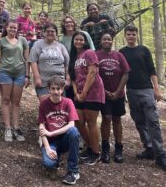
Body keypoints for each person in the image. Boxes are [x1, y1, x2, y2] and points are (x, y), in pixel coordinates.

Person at [119, 25, 166, 171]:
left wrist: (156, 89)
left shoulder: (144, 50)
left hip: (146, 89)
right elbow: (121, 74)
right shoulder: (122, 52)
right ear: (125, 36)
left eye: (133, 34)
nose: (131, 36)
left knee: (153, 121)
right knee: (139, 121)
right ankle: (149, 148)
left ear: (136, 35)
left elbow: (152, 70)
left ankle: (160, 154)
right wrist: (122, 91)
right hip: (131, 91)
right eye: (129, 34)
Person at [68, 31, 105, 165]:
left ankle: (95, 153)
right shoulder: (74, 57)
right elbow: (73, 78)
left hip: (93, 91)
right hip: (79, 92)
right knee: (78, 121)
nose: (78, 41)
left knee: (91, 121)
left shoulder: (89, 52)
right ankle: (91, 147)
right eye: (76, 39)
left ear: (85, 41)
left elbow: (93, 72)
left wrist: (84, 92)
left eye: (81, 39)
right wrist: (76, 93)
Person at [39, 76, 80, 185]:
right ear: (48, 89)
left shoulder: (68, 102)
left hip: (64, 139)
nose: (56, 92)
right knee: (49, 164)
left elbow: (72, 124)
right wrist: (47, 148)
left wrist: (51, 133)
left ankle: (73, 171)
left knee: (74, 132)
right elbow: (41, 128)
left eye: (58, 89)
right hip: (51, 142)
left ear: (62, 90)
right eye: (53, 88)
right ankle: (54, 158)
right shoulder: (44, 104)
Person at [0, 19, 30, 142]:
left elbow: (27, 59)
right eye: (11, 27)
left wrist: (27, 75)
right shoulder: (1, 41)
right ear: (6, 28)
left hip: (19, 73)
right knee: (5, 99)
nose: (13, 30)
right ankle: (7, 128)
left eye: (15, 28)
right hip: (5, 73)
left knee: (16, 101)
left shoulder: (23, 41)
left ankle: (16, 127)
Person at [96, 32, 130, 163]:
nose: (107, 41)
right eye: (105, 39)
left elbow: (126, 74)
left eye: (109, 39)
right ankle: (105, 148)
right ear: (101, 41)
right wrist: (104, 90)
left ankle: (118, 148)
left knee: (116, 119)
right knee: (106, 118)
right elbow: (94, 74)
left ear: (112, 41)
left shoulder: (119, 55)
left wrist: (118, 91)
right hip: (103, 94)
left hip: (118, 94)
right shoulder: (97, 55)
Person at [29, 23, 69, 102]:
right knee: (46, 106)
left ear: (56, 34)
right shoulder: (38, 44)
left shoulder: (61, 46)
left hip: (60, 82)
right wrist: (37, 78)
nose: (50, 33)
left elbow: (67, 64)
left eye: (52, 31)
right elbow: (33, 61)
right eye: (48, 31)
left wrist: (67, 79)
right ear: (44, 33)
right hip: (44, 82)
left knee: (59, 107)